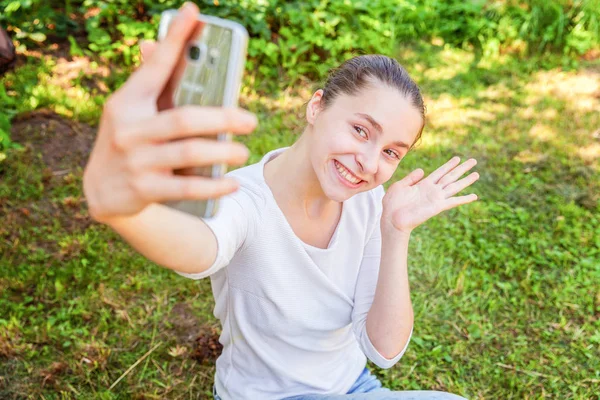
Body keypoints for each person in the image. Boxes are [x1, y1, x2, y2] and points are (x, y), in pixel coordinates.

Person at [83, 3, 479, 399]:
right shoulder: (243, 198)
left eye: (392, 152)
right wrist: (123, 210)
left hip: (354, 389)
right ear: (316, 107)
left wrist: (394, 231)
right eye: (360, 130)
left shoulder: (371, 202)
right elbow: (197, 248)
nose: (370, 162)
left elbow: (384, 349)